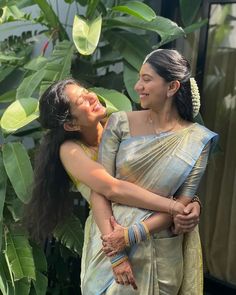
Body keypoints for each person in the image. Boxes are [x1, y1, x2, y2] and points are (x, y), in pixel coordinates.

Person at [25, 73, 201, 291]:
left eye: (85, 92)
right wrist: (117, 256)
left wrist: (191, 201)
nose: (91, 97)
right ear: (70, 124)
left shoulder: (121, 124)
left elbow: (164, 172)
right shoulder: (70, 150)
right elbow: (111, 189)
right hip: (110, 232)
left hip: (157, 227)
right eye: (81, 101)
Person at [80, 49, 219, 294]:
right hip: (109, 246)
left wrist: (132, 234)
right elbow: (100, 191)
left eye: (147, 79)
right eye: (139, 78)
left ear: (172, 87)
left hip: (160, 251)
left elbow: (182, 205)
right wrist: (116, 254)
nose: (137, 86)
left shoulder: (198, 140)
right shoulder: (120, 123)